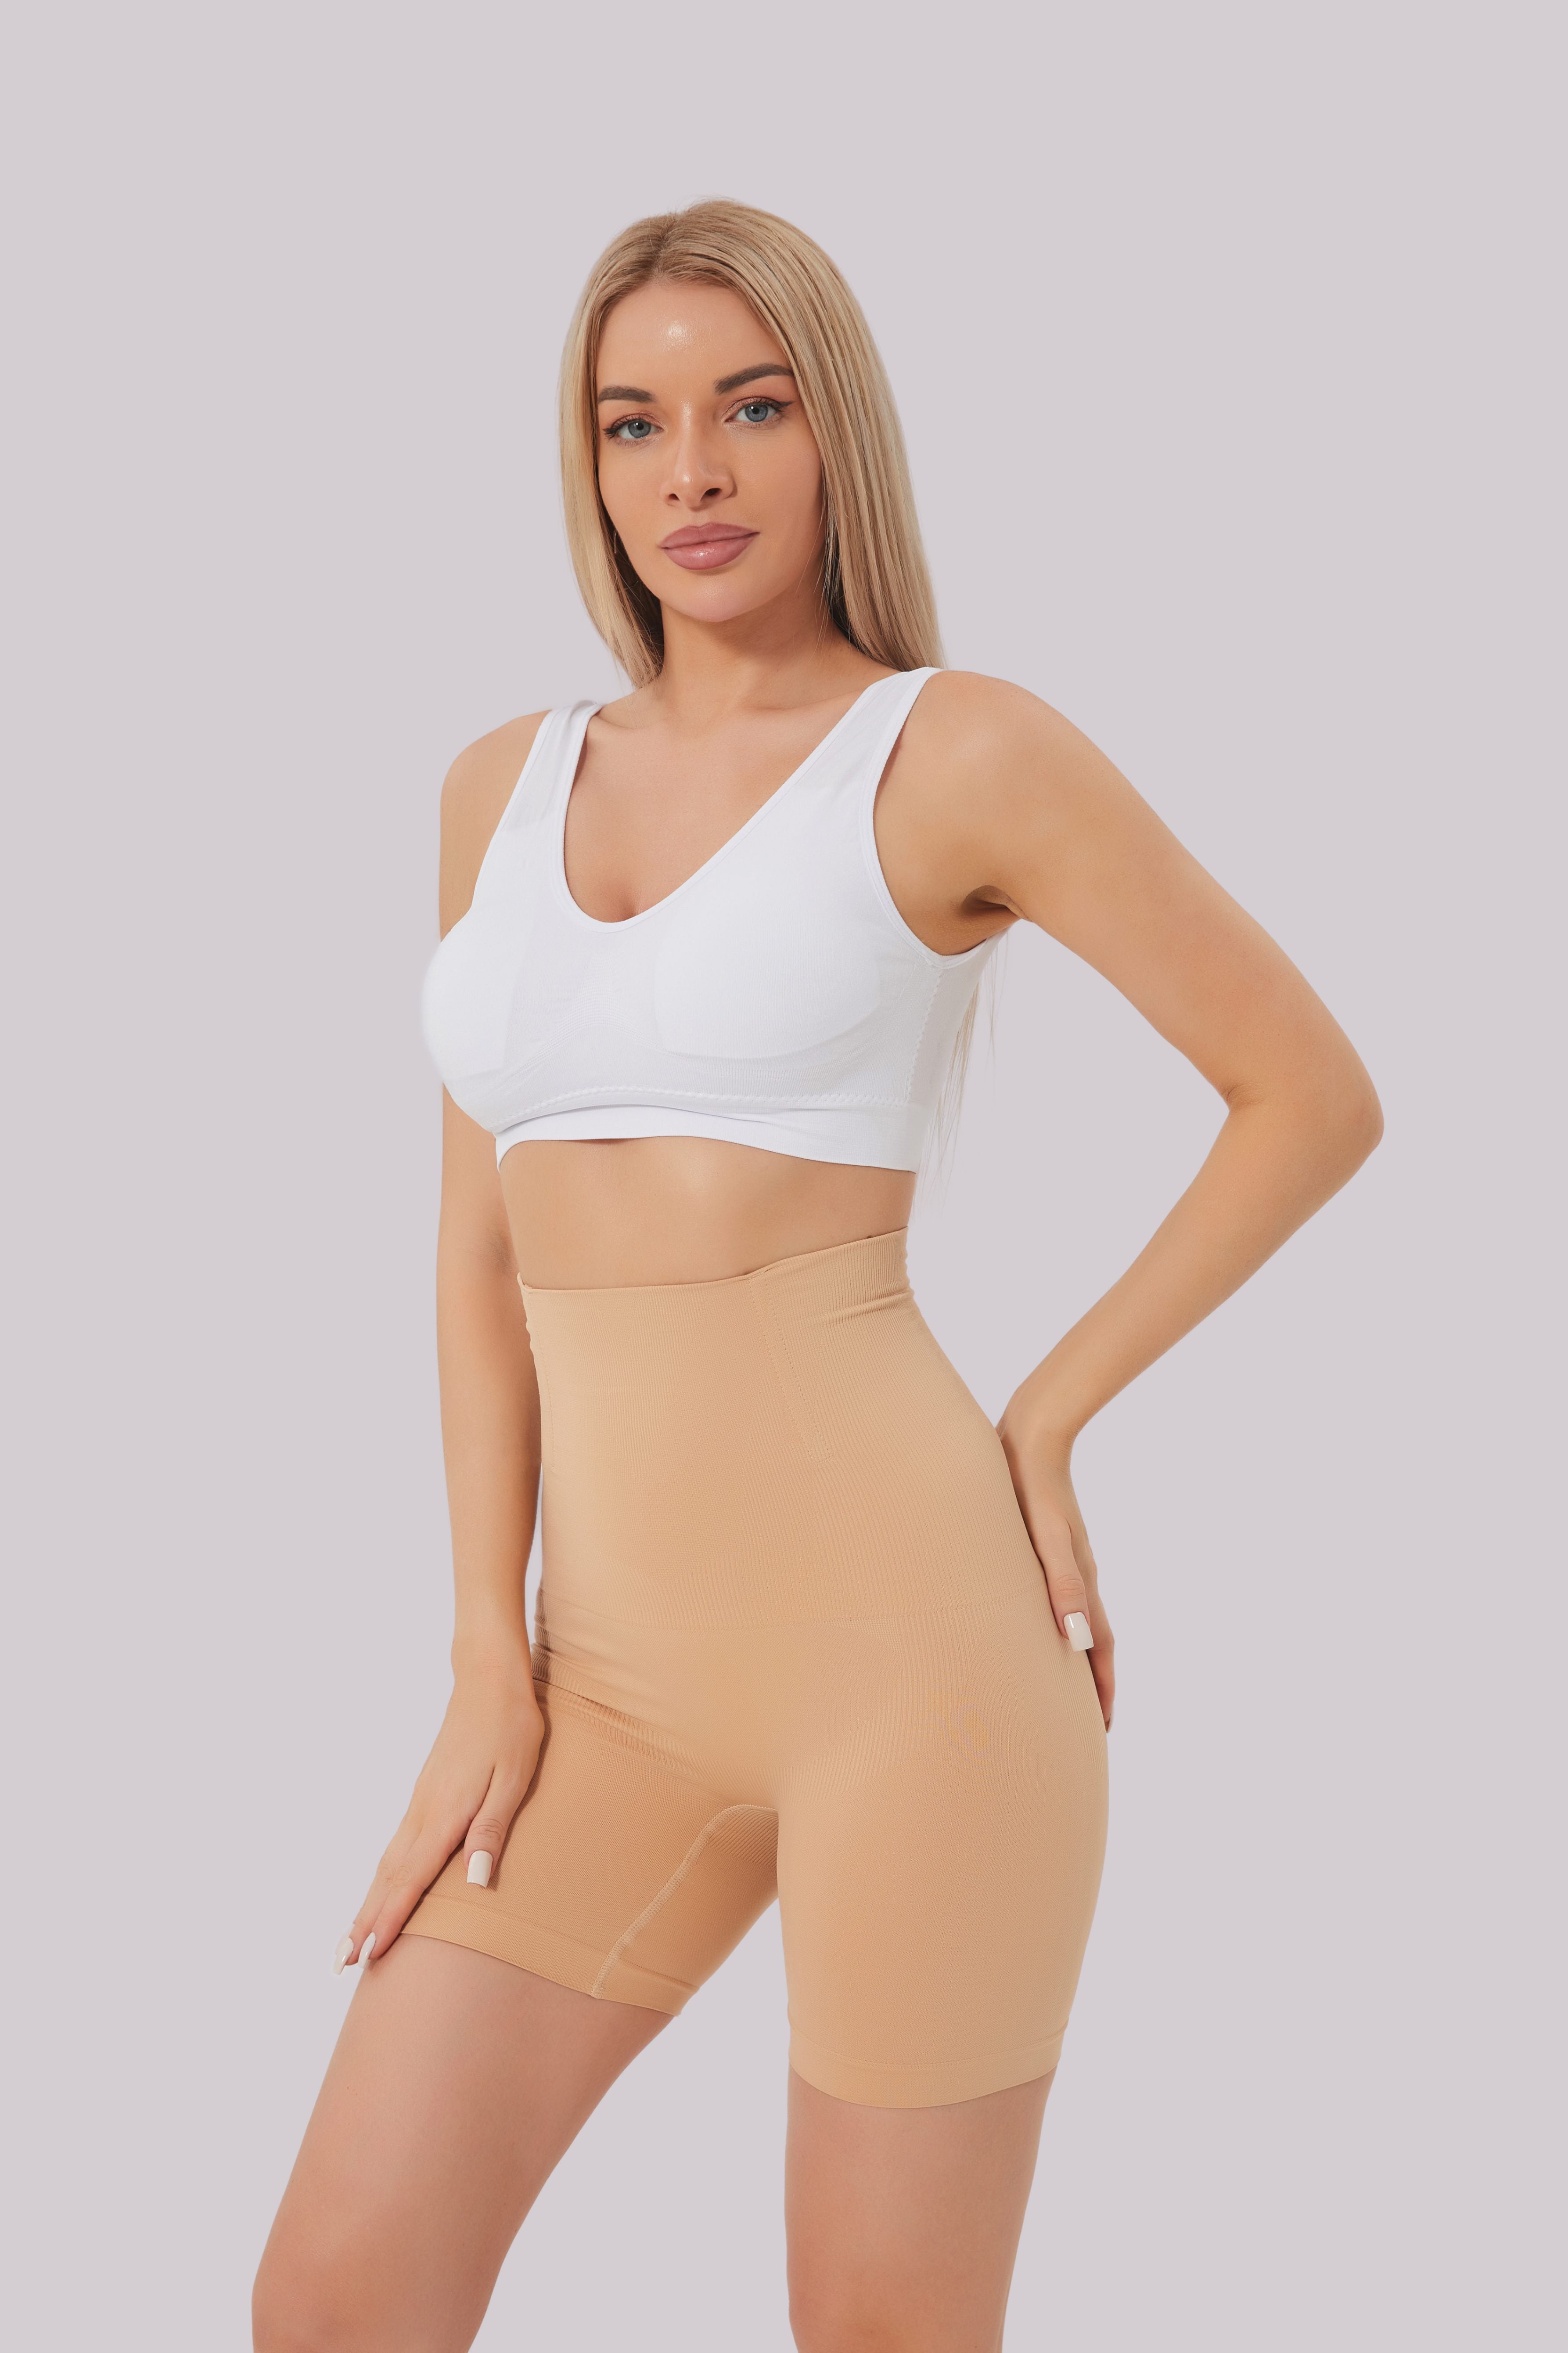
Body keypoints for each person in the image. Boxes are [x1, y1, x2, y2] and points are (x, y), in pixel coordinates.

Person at [253, 198, 1381, 2353]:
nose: (690, 469)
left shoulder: (954, 751)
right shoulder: (497, 786)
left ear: (833, 432)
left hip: (916, 1672)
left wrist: (1048, 1409)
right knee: (334, 2295)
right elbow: (473, 1237)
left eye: (750, 408)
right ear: (585, 461)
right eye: (633, 421)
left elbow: (1305, 1093)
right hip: (602, 1688)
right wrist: (484, 1646)